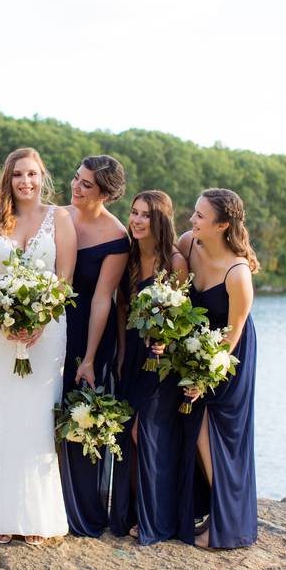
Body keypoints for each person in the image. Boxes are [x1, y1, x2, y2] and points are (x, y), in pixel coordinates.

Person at [0, 148, 77, 545]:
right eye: (17, 175)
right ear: (9, 179)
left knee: (38, 419)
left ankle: (36, 516)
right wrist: (5, 315)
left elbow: (64, 280)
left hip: (48, 332)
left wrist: (39, 320)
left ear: (42, 176)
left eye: (32, 174)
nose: (25, 182)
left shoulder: (60, 219)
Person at [175, 188, 259, 549]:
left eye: (199, 216)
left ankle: (225, 525)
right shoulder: (188, 244)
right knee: (192, 432)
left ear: (222, 225)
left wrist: (203, 377)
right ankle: (198, 512)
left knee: (215, 436)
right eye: (194, 213)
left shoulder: (238, 273)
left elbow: (234, 334)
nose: (191, 220)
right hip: (195, 349)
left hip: (229, 358)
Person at [109, 190, 188, 544]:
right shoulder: (127, 256)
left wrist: (165, 342)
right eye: (134, 213)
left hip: (162, 361)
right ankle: (130, 513)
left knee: (149, 434)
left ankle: (156, 518)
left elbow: (182, 317)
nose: (137, 220)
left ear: (161, 220)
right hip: (133, 358)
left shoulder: (175, 262)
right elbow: (123, 309)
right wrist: (123, 354)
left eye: (145, 215)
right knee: (130, 435)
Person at [59, 156, 129, 537]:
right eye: (76, 178)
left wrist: (89, 358)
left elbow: (104, 299)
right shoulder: (58, 215)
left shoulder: (116, 237)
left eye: (87, 184)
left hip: (89, 332)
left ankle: (82, 513)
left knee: (81, 419)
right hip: (49, 325)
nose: (76, 186)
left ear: (106, 192)